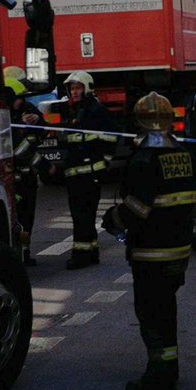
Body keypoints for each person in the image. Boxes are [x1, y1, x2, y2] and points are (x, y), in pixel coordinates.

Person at [100, 92, 196, 390]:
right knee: (167, 311)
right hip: (179, 249)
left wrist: (112, 219)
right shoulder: (183, 154)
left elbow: (137, 209)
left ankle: (159, 375)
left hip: (151, 251)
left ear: (139, 121)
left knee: (152, 314)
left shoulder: (143, 159)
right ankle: (170, 367)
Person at [56, 71, 119, 270]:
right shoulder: (77, 110)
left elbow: (110, 139)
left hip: (87, 174)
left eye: (78, 88)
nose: (74, 92)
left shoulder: (95, 111)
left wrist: (103, 165)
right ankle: (91, 252)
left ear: (87, 89)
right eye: (72, 88)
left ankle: (81, 256)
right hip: (78, 174)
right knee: (83, 216)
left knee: (82, 216)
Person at [3, 75, 44, 266]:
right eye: (19, 98)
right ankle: (16, 256)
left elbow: (44, 129)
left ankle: (25, 254)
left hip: (29, 178)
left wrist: (37, 120)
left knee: (28, 218)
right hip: (14, 179)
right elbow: (18, 149)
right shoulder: (2, 117)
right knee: (16, 218)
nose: (22, 101)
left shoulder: (27, 109)